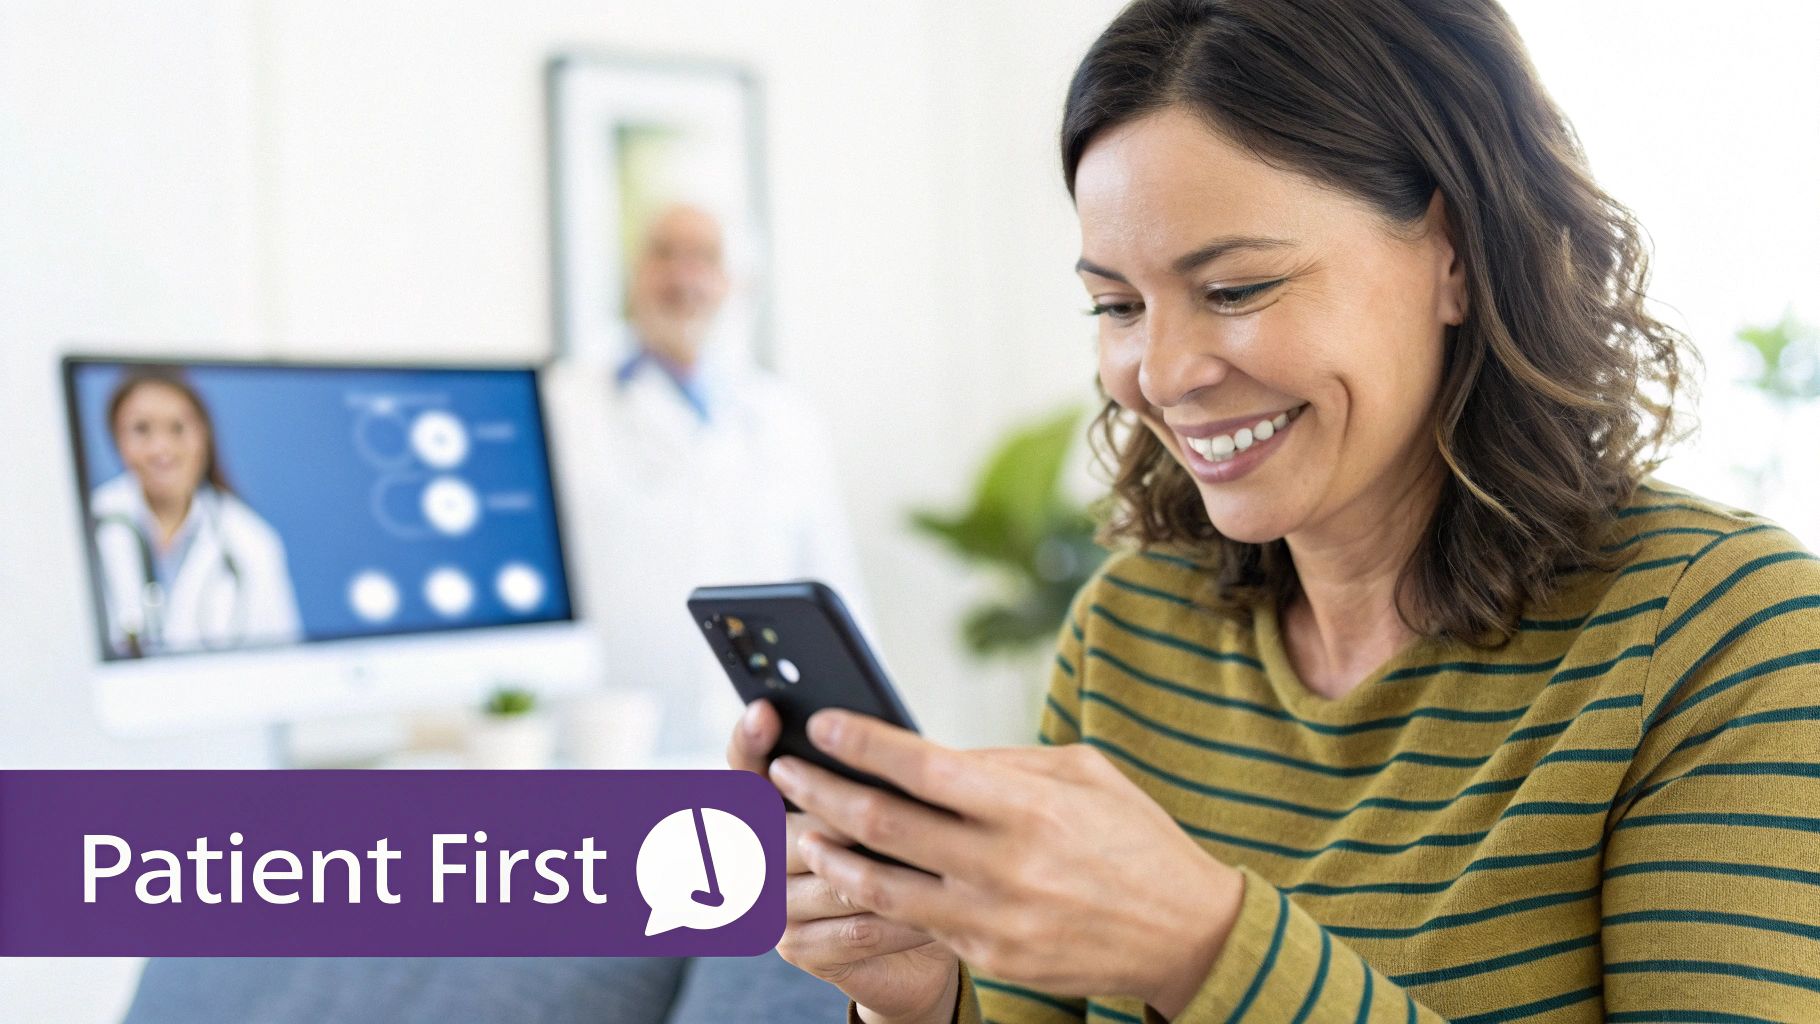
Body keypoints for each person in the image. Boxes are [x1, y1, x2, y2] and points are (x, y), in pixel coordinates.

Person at [727, 0, 1820, 1021]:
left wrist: (1205, 945)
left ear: (1454, 254)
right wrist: (926, 996)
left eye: (1235, 289)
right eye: (1115, 304)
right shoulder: (1128, 629)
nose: (1158, 371)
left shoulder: (1723, 633)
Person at [546, 200, 869, 765]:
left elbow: (836, 587)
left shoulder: (784, 418)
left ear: (735, 282)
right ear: (633, 273)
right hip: (603, 743)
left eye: (704, 257)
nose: (683, 277)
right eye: (664, 253)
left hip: (753, 740)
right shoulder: (563, 405)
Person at [90, 367, 302, 658]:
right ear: (117, 439)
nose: (160, 448)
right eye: (141, 430)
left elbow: (283, 663)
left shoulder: (251, 540)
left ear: (204, 435)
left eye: (177, 428)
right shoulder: (87, 524)